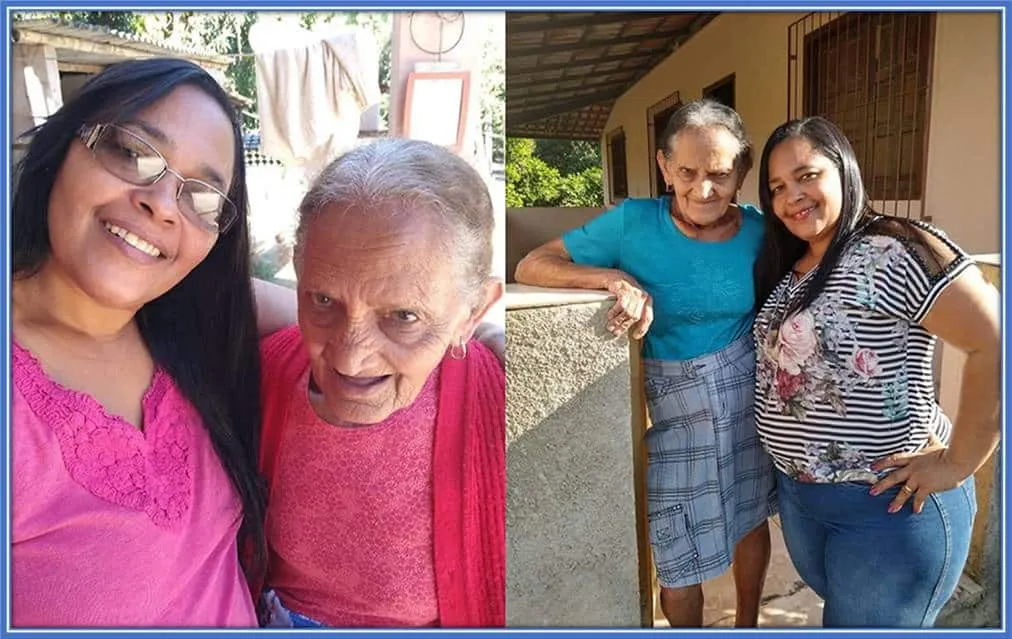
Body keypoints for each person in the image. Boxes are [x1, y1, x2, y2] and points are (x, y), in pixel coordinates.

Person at [11, 58, 266, 626]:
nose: (162, 204)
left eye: (201, 197)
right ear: (62, 151)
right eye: (131, 152)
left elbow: (335, 304)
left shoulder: (185, 324)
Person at [514, 99, 776, 627]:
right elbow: (532, 263)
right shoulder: (632, 223)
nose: (704, 190)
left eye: (721, 175)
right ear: (663, 167)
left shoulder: (760, 231)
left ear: (743, 171)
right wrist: (611, 279)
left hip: (748, 406)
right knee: (676, 554)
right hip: (675, 420)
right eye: (688, 172)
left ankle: (748, 624)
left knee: (749, 518)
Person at [752, 116, 1000, 627]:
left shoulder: (894, 249)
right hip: (805, 501)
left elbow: (995, 340)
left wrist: (957, 464)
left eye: (806, 175)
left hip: (887, 512)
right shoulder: (795, 263)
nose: (791, 196)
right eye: (777, 188)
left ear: (843, 169)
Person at [253, 138, 506, 628]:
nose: (350, 356)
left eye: (404, 316)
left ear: (472, 311)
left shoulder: (501, 404)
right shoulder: (266, 375)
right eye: (323, 300)